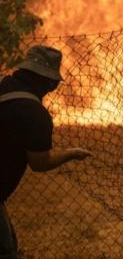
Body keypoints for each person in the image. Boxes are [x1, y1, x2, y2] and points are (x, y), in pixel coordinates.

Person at [0, 45, 92, 258]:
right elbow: (40, 163)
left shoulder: (3, 86)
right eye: (53, 83)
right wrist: (71, 153)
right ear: (47, 81)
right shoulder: (34, 114)